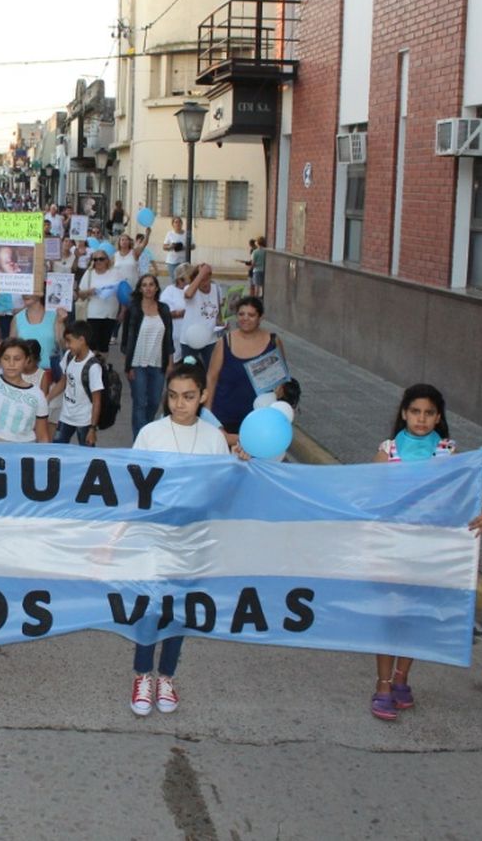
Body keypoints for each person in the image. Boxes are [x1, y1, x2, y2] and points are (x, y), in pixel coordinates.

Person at [369, 384, 482, 720]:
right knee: (390, 618)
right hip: (394, 549)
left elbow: (465, 496)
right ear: (404, 413)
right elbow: (369, 496)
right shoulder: (388, 449)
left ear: (438, 417)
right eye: (415, 412)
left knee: (414, 617)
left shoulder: (448, 452)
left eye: (428, 413)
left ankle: (401, 678)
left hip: (429, 551)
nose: (421, 419)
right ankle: (382, 685)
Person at [128, 362, 231, 716]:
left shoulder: (214, 438)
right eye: (172, 396)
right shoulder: (151, 434)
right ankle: (142, 674)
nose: (179, 404)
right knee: (150, 607)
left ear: (203, 396)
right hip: (155, 536)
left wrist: (243, 465)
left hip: (195, 539)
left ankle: (167, 676)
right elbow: (133, 485)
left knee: (179, 610)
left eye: (188, 397)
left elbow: (222, 489)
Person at [0, 291, 51, 443]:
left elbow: (43, 437)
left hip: (20, 456)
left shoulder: (37, 395)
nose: (12, 363)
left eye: (17, 358)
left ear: (27, 360)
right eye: (6, 358)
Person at [205, 296, 283, 440]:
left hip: (259, 419)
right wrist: (208, 413)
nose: (245, 318)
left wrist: (280, 390)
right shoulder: (225, 342)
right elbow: (211, 377)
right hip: (225, 416)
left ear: (261, 317)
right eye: (241, 314)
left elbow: (281, 377)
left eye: (251, 315)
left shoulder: (273, 341)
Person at [121, 273, 173, 440]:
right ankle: (140, 440)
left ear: (156, 288)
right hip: (137, 364)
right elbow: (126, 341)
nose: (148, 288)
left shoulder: (164, 309)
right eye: (144, 285)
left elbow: (169, 338)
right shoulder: (133, 309)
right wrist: (128, 366)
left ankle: (147, 433)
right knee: (140, 403)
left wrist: (170, 363)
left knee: (154, 402)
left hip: (158, 364)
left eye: (151, 284)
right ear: (140, 288)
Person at [49, 320, 104, 446]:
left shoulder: (93, 367)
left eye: (69, 341)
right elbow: (63, 381)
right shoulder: (69, 356)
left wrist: (92, 428)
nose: (67, 345)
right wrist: (47, 398)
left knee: (87, 457)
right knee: (57, 451)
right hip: (65, 416)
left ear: (81, 340)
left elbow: (97, 400)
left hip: (84, 421)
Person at [164, 264, 225, 365]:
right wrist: (201, 274)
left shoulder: (216, 289)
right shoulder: (190, 289)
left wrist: (221, 323)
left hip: (210, 339)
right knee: (190, 369)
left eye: (207, 279)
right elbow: (188, 295)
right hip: (190, 340)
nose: (205, 283)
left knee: (212, 369)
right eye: (202, 279)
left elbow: (217, 313)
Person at [77, 249, 122, 353]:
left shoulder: (115, 273)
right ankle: (92, 366)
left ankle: (102, 366)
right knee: (92, 343)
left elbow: (122, 292)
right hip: (93, 314)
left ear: (107, 260)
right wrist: (89, 291)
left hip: (110, 314)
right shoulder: (89, 274)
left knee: (104, 344)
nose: (98, 262)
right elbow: (80, 294)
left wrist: (123, 311)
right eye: (95, 259)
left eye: (101, 259)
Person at [13, 294, 62, 387]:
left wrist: (60, 322)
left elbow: (63, 345)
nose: (25, 294)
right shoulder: (17, 318)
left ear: (40, 292)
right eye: (24, 290)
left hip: (51, 377)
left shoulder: (56, 315)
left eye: (30, 290)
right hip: (24, 377)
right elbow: (11, 350)